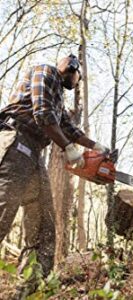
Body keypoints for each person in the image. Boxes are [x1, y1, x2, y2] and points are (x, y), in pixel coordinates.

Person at [0, 54, 113, 297]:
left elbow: (69, 129)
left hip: (34, 154)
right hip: (15, 143)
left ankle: (28, 291)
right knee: (2, 215)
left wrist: (97, 147)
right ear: (71, 68)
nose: (77, 84)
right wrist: (68, 149)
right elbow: (42, 113)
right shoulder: (47, 72)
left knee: (44, 226)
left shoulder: (58, 98)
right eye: (78, 78)